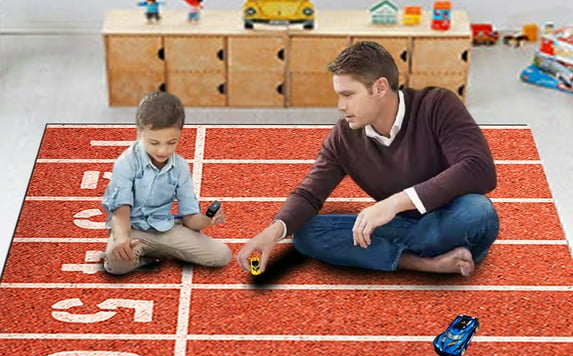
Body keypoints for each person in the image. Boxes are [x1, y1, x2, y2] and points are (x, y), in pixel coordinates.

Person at [237, 41, 499, 278]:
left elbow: (479, 168)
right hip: (401, 226)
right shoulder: (343, 136)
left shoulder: (437, 105)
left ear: (380, 87)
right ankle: (426, 263)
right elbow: (309, 194)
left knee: (478, 211)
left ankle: (398, 253)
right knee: (306, 233)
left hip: (449, 219)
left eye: (348, 94)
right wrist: (273, 232)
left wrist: (394, 203)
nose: (340, 105)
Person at [102, 91, 231, 275]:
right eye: (154, 142)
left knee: (222, 255)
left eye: (171, 142)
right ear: (139, 132)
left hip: (166, 229)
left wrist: (208, 220)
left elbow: (190, 219)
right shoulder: (126, 162)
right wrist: (122, 238)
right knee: (116, 265)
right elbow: (120, 210)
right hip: (132, 231)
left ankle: (160, 251)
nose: (162, 150)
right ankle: (155, 253)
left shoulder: (180, 167)